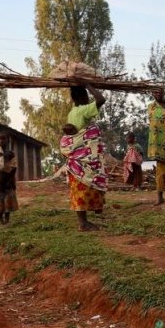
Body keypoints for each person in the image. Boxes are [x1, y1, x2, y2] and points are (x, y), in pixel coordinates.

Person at [60, 84, 108, 231]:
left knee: (79, 190)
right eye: (87, 95)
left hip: (76, 160)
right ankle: (83, 224)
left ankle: (84, 221)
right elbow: (101, 99)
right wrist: (89, 85)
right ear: (81, 97)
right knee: (83, 189)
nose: (89, 98)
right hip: (83, 158)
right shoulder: (82, 110)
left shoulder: (72, 112)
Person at [0, 133, 18, 225]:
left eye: (3, 139)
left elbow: (14, 167)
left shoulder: (10, 153)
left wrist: (11, 180)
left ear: (7, 141)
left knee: (8, 202)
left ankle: (7, 220)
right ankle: (1, 221)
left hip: (8, 180)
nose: (1, 141)